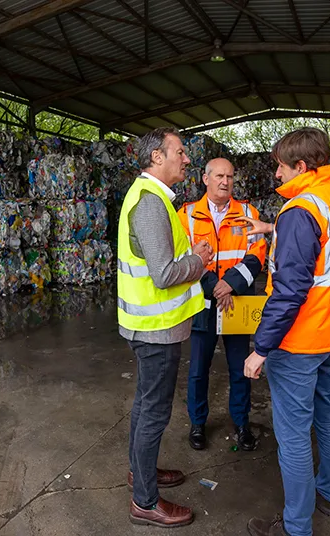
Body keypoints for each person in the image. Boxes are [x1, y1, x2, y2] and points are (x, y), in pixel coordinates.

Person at [239, 128, 330, 536]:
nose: (275, 174)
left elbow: (291, 291)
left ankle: (295, 527)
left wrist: (261, 348)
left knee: (293, 434)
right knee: (326, 411)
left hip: (300, 339)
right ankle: (329, 494)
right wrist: (271, 229)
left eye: (279, 165)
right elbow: (324, 250)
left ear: (301, 166)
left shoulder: (299, 210)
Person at [117, 127, 215, 529]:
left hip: (153, 326)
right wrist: (199, 260)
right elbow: (164, 274)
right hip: (155, 330)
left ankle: (140, 473)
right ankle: (145, 501)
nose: (186, 159)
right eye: (180, 152)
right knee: (154, 412)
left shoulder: (152, 198)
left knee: (145, 405)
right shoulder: (151, 203)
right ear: (157, 157)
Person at [177, 158, 266, 452]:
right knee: (198, 369)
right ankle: (198, 423)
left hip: (236, 303)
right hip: (202, 304)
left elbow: (256, 255)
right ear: (205, 178)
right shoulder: (186, 215)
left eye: (229, 176)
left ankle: (242, 424)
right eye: (218, 176)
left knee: (241, 368)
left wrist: (230, 284)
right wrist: (215, 286)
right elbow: (182, 255)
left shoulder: (247, 212)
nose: (225, 181)